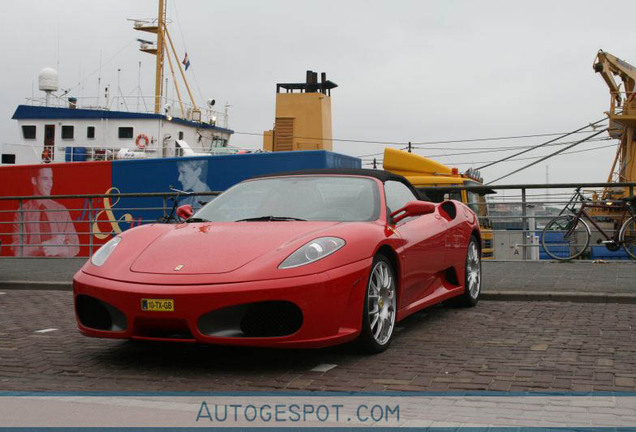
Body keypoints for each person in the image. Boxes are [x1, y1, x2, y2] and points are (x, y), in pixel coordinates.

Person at [11, 167, 79, 257]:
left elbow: (75, 246)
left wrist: (59, 250)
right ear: (34, 181)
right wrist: (45, 245)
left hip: (58, 267)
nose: (50, 184)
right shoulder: (22, 213)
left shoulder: (61, 211)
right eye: (45, 179)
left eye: (51, 178)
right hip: (32, 268)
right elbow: (18, 251)